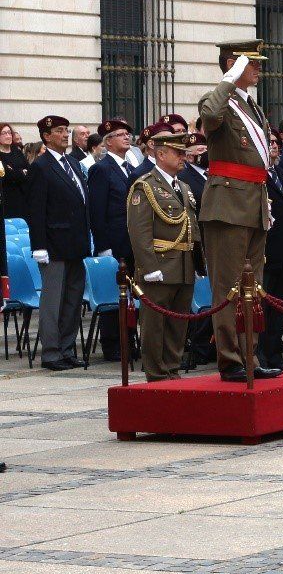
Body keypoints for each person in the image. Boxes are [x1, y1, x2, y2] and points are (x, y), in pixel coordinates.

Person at [197, 40, 281, 383]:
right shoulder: (217, 99)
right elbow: (209, 117)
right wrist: (228, 79)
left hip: (254, 202)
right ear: (233, 64)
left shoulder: (252, 106)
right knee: (229, 288)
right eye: (252, 63)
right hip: (228, 205)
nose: (259, 69)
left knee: (252, 288)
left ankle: (249, 355)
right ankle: (230, 359)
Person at [127, 131, 203, 381]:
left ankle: (172, 369)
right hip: (159, 265)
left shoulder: (183, 187)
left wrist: (198, 263)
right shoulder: (145, 186)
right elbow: (139, 232)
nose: (183, 157)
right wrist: (148, 267)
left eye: (184, 152)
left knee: (178, 325)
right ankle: (157, 374)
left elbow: (192, 227)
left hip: (184, 265)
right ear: (160, 154)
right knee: (155, 325)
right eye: (178, 153)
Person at [27, 115, 91, 371]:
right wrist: (38, 246)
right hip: (53, 245)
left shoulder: (72, 163)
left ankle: (67, 349)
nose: (66, 135)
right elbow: (36, 209)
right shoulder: (41, 167)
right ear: (46, 136)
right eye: (60, 131)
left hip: (76, 243)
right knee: (53, 302)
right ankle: (52, 352)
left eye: (66, 130)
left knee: (73, 301)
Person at [86, 118, 136, 362]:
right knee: (115, 294)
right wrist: (103, 246)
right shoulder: (101, 169)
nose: (127, 137)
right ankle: (113, 343)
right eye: (120, 134)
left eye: (127, 133)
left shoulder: (131, 168)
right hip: (113, 242)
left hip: (132, 242)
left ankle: (129, 340)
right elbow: (97, 211)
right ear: (108, 142)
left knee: (131, 295)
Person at [257, 133, 283, 371]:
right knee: (263, 309)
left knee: (279, 309)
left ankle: (274, 355)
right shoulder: (257, 175)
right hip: (266, 253)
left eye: (275, 142)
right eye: (268, 142)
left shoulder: (280, 172)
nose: (273, 146)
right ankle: (261, 356)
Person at [0, 123, 31, 219]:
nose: (8, 136)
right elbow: (6, 175)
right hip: (6, 198)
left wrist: (13, 171)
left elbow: (29, 171)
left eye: (9, 133)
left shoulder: (17, 152)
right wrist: (21, 172)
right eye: (4, 133)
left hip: (22, 197)